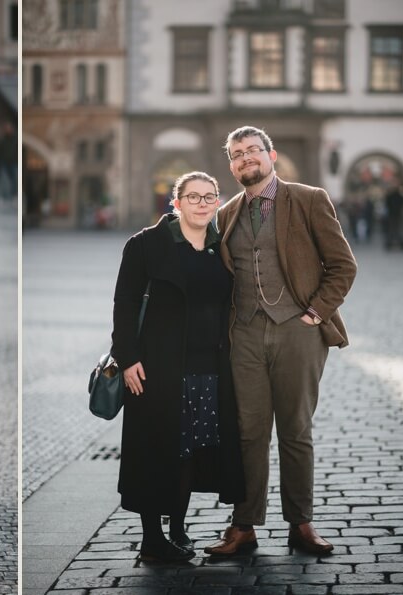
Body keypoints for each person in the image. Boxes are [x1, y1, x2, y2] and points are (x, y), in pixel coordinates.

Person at [204, 126, 356, 557]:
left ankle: (301, 524)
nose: (246, 158)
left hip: (298, 331)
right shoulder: (226, 212)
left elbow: (343, 266)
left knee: (295, 431)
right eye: (237, 154)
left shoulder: (309, 199)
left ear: (271, 155)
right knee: (248, 433)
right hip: (245, 334)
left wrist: (314, 313)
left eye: (253, 150)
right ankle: (244, 525)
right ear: (231, 164)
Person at [112, 172, 246, 563]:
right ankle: (152, 539)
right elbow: (124, 301)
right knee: (157, 449)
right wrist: (128, 357)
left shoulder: (221, 246)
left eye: (210, 197)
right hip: (157, 365)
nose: (203, 204)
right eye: (193, 197)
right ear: (177, 203)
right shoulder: (146, 244)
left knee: (190, 450)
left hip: (209, 366)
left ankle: (178, 527)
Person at [384, 184, 403, 251]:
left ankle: (389, 243)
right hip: (398, 214)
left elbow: (387, 203)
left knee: (392, 229)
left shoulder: (390, 195)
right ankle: (400, 244)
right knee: (398, 229)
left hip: (392, 214)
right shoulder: (400, 196)